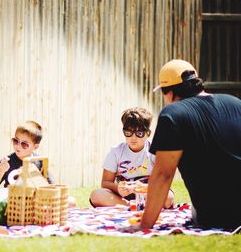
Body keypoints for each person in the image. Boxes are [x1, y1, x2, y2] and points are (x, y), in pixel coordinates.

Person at [138, 59, 241, 231]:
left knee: (197, 210)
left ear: (169, 93)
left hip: (220, 217)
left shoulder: (173, 114)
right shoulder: (235, 103)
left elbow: (163, 174)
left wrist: (144, 225)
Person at [89, 107, 174, 208]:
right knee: (96, 195)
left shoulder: (155, 151)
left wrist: (145, 187)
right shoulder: (116, 151)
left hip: (149, 193)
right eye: (128, 133)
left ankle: (136, 206)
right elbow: (105, 183)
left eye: (139, 133)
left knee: (168, 197)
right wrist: (118, 188)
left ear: (148, 133)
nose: (133, 138)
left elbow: (164, 182)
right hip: (123, 197)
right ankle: (133, 206)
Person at [0, 120, 54, 188]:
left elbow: (51, 185)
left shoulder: (40, 161)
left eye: (24, 144)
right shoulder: (8, 161)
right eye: (16, 141)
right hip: (12, 197)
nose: (18, 146)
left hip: (32, 197)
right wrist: (1, 170)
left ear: (35, 147)